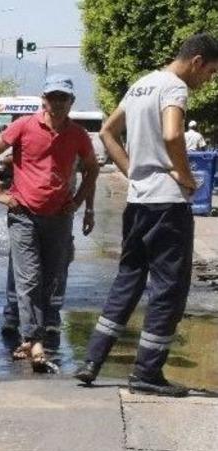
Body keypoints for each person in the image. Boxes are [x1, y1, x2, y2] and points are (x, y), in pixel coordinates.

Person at [74, 33, 218, 396]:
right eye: (211, 73)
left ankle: (92, 360)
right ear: (197, 61)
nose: (209, 82)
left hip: (139, 203)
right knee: (169, 288)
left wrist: (133, 171)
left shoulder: (142, 85)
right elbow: (172, 136)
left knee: (129, 279)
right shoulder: (174, 88)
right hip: (168, 205)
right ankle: (147, 373)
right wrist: (185, 176)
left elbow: (107, 131)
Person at [0, 74, 99, 373]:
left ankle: (35, 334)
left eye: (64, 98)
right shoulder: (23, 126)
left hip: (59, 218)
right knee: (29, 278)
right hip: (24, 216)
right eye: (53, 97)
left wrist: (82, 204)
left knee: (51, 278)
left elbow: (92, 169)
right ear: (43, 99)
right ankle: (33, 339)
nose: (57, 103)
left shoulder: (78, 135)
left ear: (71, 102)